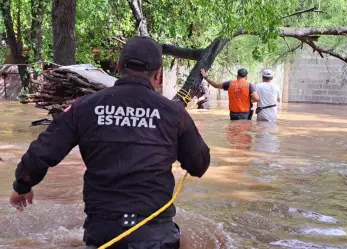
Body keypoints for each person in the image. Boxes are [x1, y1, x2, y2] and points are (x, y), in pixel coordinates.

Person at [9, 36, 211, 249]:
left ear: (117, 66)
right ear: (159, 75)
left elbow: (41, 152)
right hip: (157, 237)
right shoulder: (175, 114)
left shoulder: (83, 107)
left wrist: (22, 185)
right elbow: (199, 165)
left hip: (102, 234)